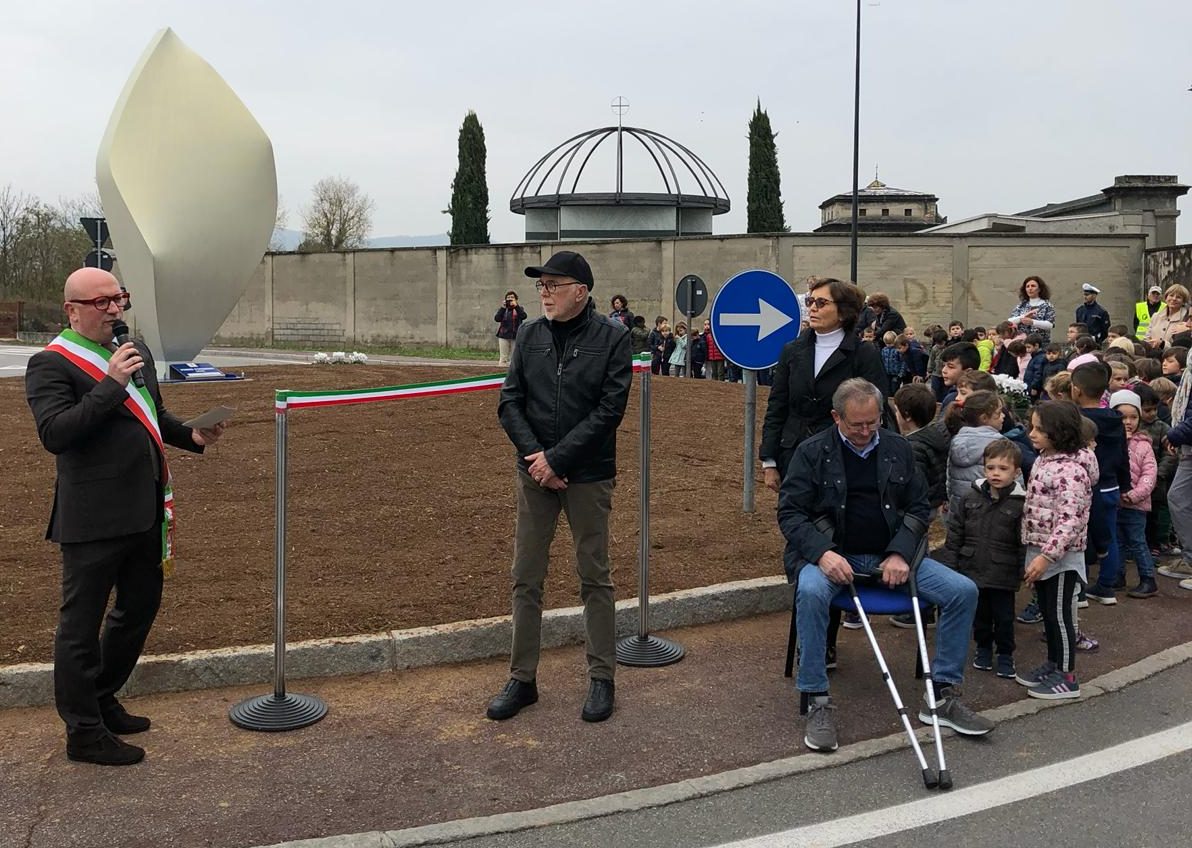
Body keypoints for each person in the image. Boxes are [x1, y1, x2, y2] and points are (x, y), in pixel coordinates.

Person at [25, 267, 226, 766]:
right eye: (102, 302)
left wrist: (192, 436)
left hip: (145, 508)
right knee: (80, 627)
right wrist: (111, 383)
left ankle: (103, 695)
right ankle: (83, 733)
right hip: (92, 517)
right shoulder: (51, 364)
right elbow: (56, 433)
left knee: (137, 610)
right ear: (71, 309)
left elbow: (152, 412)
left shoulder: (135, 353)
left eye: (120, 299)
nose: (116, 310)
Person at [778, 379, 994, 750]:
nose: (865, 432)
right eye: (855, 424)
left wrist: (899, 553)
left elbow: (917, 508)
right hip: (833, 555)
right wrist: (822, 553)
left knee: (962, 591)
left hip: (891, 555)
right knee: (811, 591)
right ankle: (816, 698)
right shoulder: (811, 451)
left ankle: (941, 695)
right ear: (836, 417)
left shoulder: (899, 448)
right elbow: (790, 513)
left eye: (872, 423)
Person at [490, 250, 632, 724]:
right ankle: (522, 678)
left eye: (554, 284)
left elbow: (609, 411)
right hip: (534, 475)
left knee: (595, 575)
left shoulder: (612, 337)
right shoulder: (529, 334)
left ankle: (601, 678)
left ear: (581, 291)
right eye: (541, 286)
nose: (545, 293)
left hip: (588, 476)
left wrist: (559, 458)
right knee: (525, 577)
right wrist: (538, 459)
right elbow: (510, 402)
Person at [760, 277, 887, 491]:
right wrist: (769, 461)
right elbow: (777, 406)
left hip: (846, 461)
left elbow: (878, 410)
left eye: (821, 303)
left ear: (844, 311)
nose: (812, 308)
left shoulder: (864, 354)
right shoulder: (792, 351)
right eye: (810, 301)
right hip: (793, 456)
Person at [1017, 401, 1099, 699]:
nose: (1032, 433)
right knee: (1050, 613)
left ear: (1059, 432)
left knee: (1061, 615)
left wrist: (1046, 555)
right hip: (1042, 549)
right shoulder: (1045, 458)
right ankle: (1053, 665)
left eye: (1040, 429)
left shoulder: (1070, 470)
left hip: (1060, 556)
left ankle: (1067, 676)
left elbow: (1070, 519)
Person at [942, 439, 1025, 680]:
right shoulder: (970, 497)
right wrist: (951, 565)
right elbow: (955, 532)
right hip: (972, 568)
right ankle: (983, 648)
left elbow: (1023, 542)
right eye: (990, 468)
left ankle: (1006, 654)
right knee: (980, 615)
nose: (995, 473)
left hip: (1003, 572)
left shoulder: (1020, 503)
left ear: (1016, 472)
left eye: (1003, 468)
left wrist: (1022, 571)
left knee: (1004, 617)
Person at [1072, 363, 1132, 605]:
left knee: (1081, 535)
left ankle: (1080, 588)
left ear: (1076, 390)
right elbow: (1123, 454)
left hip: (1085, 486)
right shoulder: (1116, 419)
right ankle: (1106, 586)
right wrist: (1124, 484)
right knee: (1108, 535)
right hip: (1110, 485)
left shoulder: (1077, 420)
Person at [1110, 390, 1159, 598]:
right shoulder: (1110, 442)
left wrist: (1135, 494)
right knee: (1118, 541)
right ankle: (1118, 575)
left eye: (1133, 417)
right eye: (1122, 417)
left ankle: (1148, 578)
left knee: (1138, 542)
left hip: (1135, 504)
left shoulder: (1143, 445)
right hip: (1116, 502)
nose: (1128, 422)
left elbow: (1149, 475)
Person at [944, 390, 1009, 516]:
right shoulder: (1001, 444)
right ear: (984, 418)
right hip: (992, 514)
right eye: (998, 413)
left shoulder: (956, 441)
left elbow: (949, 480)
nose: (1003, 416)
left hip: (959, 510)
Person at [1007, 275, 1056, 345]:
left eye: (1033, 286)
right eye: (1027, 286)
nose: (1030, 288)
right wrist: (1023, 317)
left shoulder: (1047, 305)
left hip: (1041, 344)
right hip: (1022, 344)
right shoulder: (1022, 305)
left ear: (1039, 289)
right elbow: (1010, 322)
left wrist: (1033, 322)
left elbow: (1050, 325)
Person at [1143, 284, 1192, 352]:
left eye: (1178, 297)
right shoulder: (1156, 316)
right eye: (1171, 295)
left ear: (1183, 301)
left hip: (1173, 359)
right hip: (1152, 356)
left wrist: (1162, 344)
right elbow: (1147, 337)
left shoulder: (1187, 319)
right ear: (1166, 298)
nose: (1174, 299)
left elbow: (1182, 345)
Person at [494, 290, 527, 367]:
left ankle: (513, 373)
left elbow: (524, 316)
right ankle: (501, 371)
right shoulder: (503, 309)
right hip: (503, 335)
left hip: (515, 335)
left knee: (514, 357)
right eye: (508, 298)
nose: (510, 299)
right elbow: (497, 318)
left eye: (512, 297)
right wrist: (502, 308)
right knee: (503, 357)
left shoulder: (519, 308)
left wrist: (516, 306)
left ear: (516, 299)